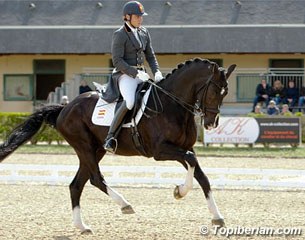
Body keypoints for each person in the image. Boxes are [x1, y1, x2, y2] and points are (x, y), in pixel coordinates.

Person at [102, 1, 163, 153]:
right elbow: (117, 61)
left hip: (142, 74)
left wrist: (156, 71)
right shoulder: (120, 34)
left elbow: (150, 55)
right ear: (127, 17)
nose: (140, 19)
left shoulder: (144, 32)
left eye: (141, 16)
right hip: (125, 75)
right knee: (130, 101)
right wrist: (136, 73)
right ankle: (110, 137)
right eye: (137, 16)